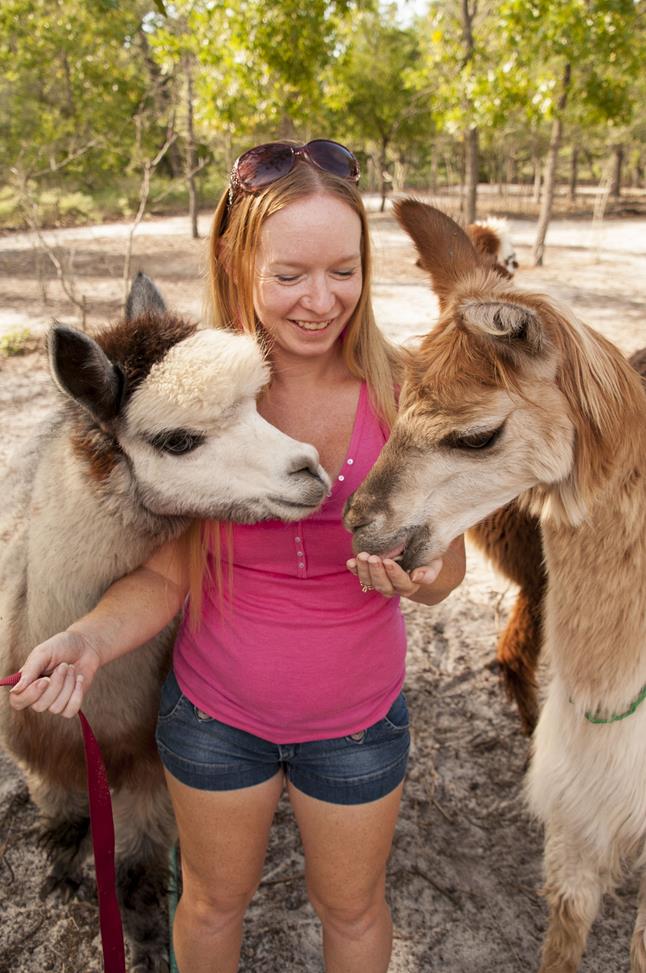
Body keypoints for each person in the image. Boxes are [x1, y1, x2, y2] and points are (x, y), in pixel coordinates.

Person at [10, 138, 466, 973]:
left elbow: (451, 565)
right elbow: (166, 572)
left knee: (355, 907)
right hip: (216, 719)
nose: (319, 299)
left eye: (343, 270)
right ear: (238, 261)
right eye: (290, 274)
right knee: (213, 902)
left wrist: (426, 574)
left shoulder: (402, 391)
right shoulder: (213, 388)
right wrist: (89, 639)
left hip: (357, 722)